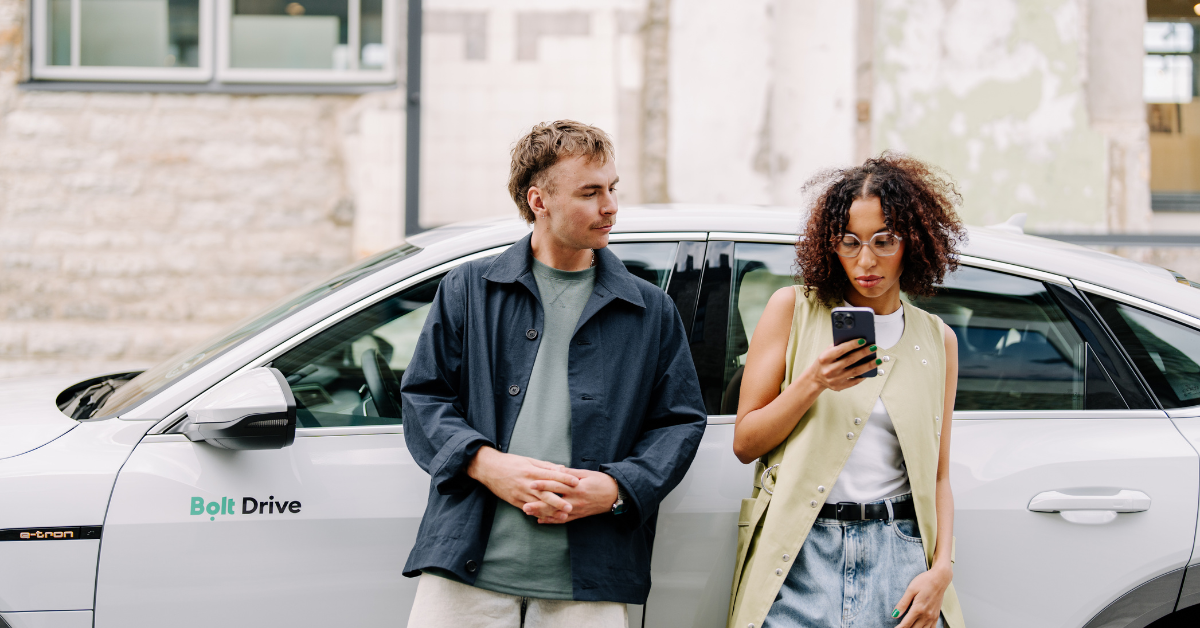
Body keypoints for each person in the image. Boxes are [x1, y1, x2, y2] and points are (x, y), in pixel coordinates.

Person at [400, 120, 707, 628]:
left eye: (612, 189)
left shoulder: (649, 309)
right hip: (466, 570)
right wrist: (486, 464)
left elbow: (678, 422)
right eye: (590, 192)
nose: (609, 206)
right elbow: (423, 397)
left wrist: (617, 488)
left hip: (590, 582)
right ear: (539, 200)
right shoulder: (469, 289)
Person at [727, 154, 967, 628]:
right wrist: (814, 382)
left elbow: (937, 476)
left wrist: (941, 570)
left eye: (885, 241)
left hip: (900, 557)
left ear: (913, 243)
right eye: (850, 242)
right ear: (830, 245)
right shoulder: (792, 310)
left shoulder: (938, 339)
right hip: (800, 553)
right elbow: (745, 442)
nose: (866, 260)